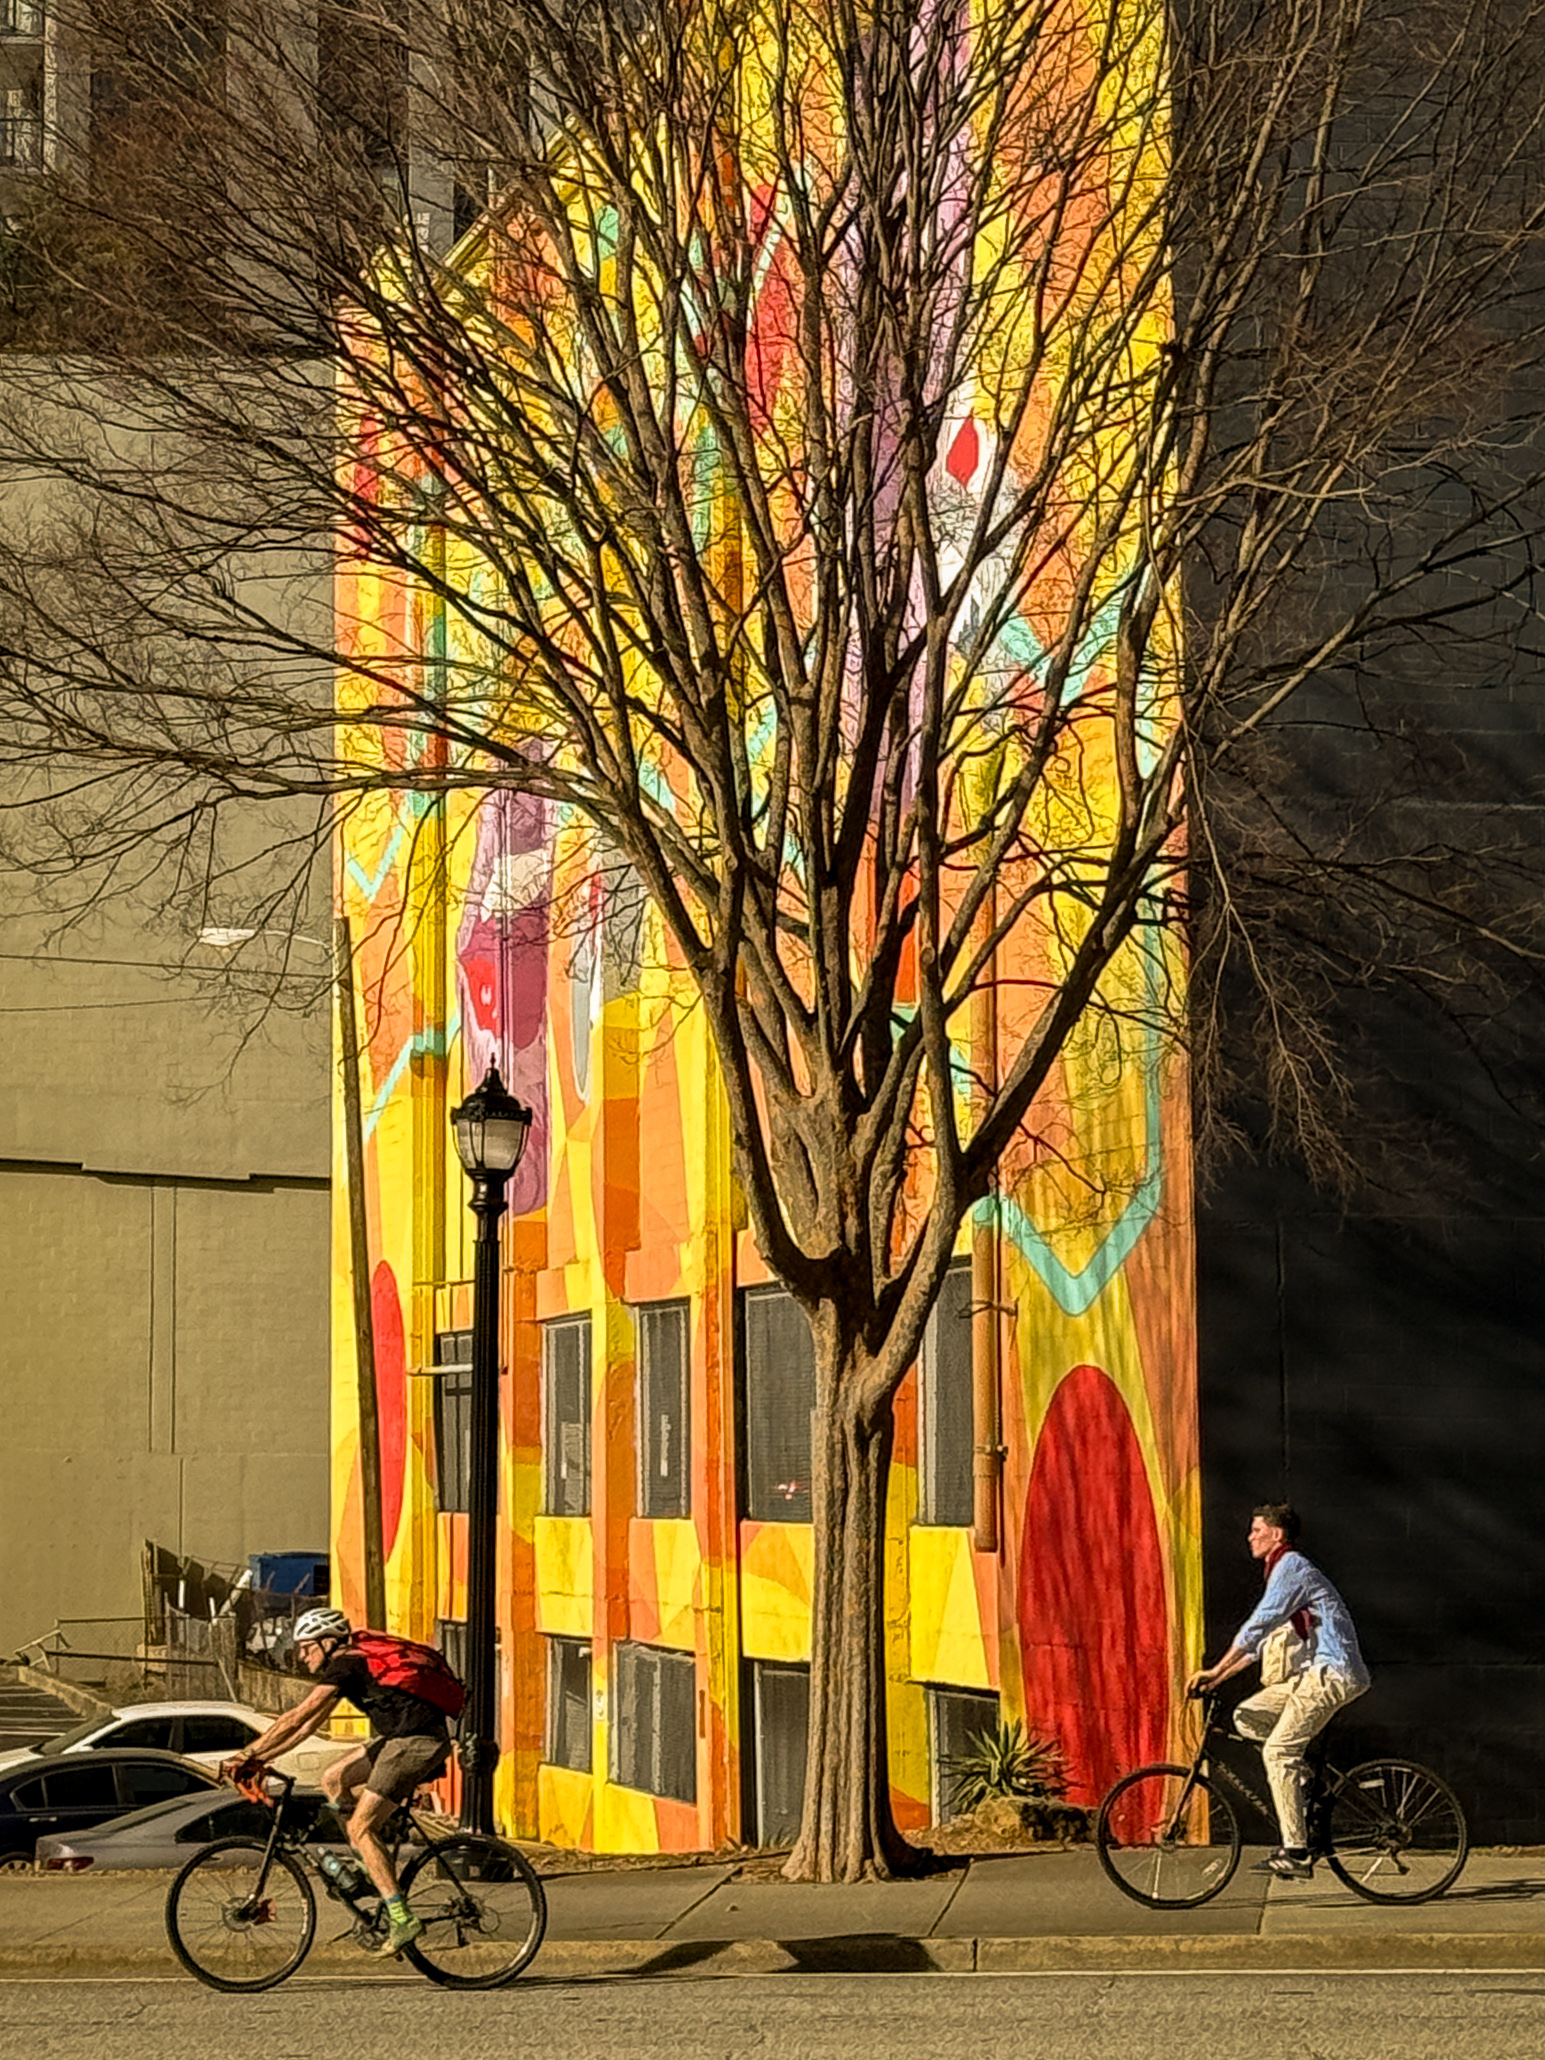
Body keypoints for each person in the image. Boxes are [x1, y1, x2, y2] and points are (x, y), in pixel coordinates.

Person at [222, 1607, 452, 1957]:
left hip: (416, 1742)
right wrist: (261, 1759)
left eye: (306, 1647)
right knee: (333, 1779)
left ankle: (402, 1917)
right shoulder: (347, 1665)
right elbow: (306, 1727)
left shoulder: (346, 1665)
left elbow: (296, 1714)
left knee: (360, 1827)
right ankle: (369, 1862)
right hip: (401, 1738)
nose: (301, 1655)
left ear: (328, 1641)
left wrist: (244, 1754)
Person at [1187, 1502, 1369, 1880]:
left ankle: (1297, 1852)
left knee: (1278, 1751)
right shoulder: (1280, 1571)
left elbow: (1258, 1624)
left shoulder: (1291, 1567)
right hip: (1313, 1674)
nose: (1250, 1537)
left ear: (1277, 1535)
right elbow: (1259, 1644)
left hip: (1331, 1673)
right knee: (1247, 1716)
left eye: (1257, 1530)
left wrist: (1216, 1667)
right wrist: (1219, 1680)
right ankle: (1305, 1783)